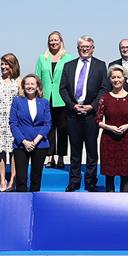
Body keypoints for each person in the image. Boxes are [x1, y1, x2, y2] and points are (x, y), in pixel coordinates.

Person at [59, 36, 107, 191]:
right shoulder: (68, 66)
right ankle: (74, 181)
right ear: (77, 48)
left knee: (92, 151)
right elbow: (63, 89)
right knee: (75, 150)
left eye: (88, 46)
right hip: (73, 114)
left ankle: (91, 181)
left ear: (93, 48)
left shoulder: (100, 66)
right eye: (82, 46)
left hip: (91, 115)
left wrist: (92, 106)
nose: (85, 49)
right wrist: (73, 106)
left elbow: (103, 89)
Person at [34, 31, 74, 169]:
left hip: (62, 99)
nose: (53, 42)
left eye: (56, 40)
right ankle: (49, 156)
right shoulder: (42, 58)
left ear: (61, 41)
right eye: (51, 40)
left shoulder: (68, 58)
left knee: (63, 129)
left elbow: (71, 79)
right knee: (48, 128)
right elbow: (37, 78)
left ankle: (61, 156)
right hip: (45, 99)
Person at [98, 66, 128, 192]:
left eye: (119, 77)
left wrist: (127, 126)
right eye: (113, 77)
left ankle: (125, 204)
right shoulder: (104, 98)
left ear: (124, 78)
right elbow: (98, 120)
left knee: (125, 176)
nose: (116, 80)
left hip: (127, 140)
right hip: (108, 140)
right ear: (110, 79)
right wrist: (109, 127)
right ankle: (109, 206)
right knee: (109, 176)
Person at [9, 74, 52, 192]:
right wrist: (24, 141)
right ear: (23, 86)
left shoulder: (44, 102)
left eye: (32, 84)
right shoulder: (17, 101)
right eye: (27, 84)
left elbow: (47, 124)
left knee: (36, 178)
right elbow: (13, 123)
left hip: (40, 144)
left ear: (37, 86)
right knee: (21, 178)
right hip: (21, 145)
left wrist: (35, 141)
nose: (30, 86)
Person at [0, 53, 21, 191]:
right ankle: (2, 179)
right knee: (1, 150)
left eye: (6, 64)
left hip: (14, 119)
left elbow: (21, 102)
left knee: (14, 150)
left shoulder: (19, 82)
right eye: (2, 63)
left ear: (13, 65)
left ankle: (13, 180)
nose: (3, 66)